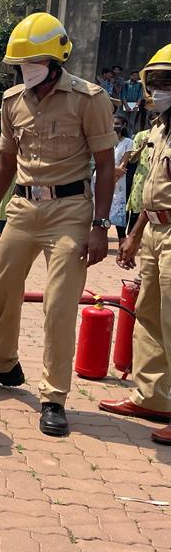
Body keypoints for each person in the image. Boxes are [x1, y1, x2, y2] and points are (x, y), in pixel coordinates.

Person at [0, 13, 117, 437]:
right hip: (24, 210)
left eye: (35, 62)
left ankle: (54, 396)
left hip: (72, 210)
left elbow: (105, 163)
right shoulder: (13, 101)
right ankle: (2, 364)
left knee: (60, 303)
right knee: (2, 286)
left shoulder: (89, 99)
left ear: (57, 59)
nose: (26, 71)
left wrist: (101, 224)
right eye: (21, 65)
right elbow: (7, 162)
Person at [100, 43, 171, 445]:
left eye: (167, 82)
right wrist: (135, 233)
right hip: (156, 231)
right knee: (149, 316)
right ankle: (152, 397)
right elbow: (152, 190)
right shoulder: (159, 129)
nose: (159, 89)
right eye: (156, 82)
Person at [124, 110, 160, 231]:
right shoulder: (141, 135)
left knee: (155, 206)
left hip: (158, 176)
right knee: (137, 205)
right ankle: (132, 234)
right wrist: (142, 147)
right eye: (152, 119)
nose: (155, 122)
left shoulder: (164, 135)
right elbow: (132, 160)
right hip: (141, 175)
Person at [108, 114, 134, 243]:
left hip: (118, 181)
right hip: (102, 178)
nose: (114, 126)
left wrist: (112, 179)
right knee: (101, 210)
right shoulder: (106, 140)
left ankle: (122, 242)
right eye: (113, 123)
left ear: (123, 125)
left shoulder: (128, 142)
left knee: (118, 210)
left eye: (117, 123)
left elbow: (123, 165)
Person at [122, 70, 145, 136]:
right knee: (124, 121)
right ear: (130, 76)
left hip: (134, 104)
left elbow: (140, 96)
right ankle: (123, 135)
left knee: (132, 122)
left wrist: (137, 105)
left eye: (137, 76)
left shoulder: (139, 85)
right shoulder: (126, 83)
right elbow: (123, 95)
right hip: (126, 104)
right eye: (134, 75)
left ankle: (129, 136)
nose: (136, 77)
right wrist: (126, 106)